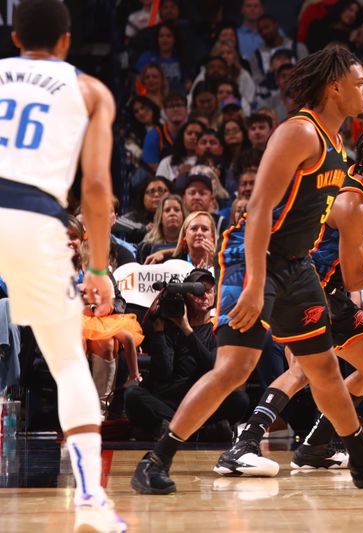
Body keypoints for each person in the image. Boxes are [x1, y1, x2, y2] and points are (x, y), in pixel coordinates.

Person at [131, 48, 363, 495]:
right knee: (235, 367)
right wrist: (252, 284)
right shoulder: (299, 132)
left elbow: (360, 230)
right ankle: (156, 459)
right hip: (254, 258)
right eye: (360, 82)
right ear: (335, 87)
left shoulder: (335, 143)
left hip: (297, 265)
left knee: (325, 368)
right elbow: (256, 210)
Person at [213, 128, 363, 475]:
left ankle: (315, 446)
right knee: (303, 370)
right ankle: (243, 444)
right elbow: (357, 279)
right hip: (307, 288)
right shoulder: (352, 202)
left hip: (331, 295)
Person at [0, 1, 125, 531]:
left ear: (13, 38)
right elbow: (96, 189)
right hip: (33, 219)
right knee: (69, 362)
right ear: (68, 42)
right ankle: (91, 499)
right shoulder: (91, 91)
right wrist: (97, 267)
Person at [125, 269, 249, 441]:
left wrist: (187, 330)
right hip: (169, 400)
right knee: (133, 395)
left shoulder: (219, 328)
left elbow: (212, 368)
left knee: (239, 399)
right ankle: (198, 432)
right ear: (185, 297)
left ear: (215, 296)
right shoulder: (168, 325)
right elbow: (163, 373)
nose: (204, 295)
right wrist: (159, 332)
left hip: (202, 400)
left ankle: (172, 430)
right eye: (197, 291)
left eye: (209, 291)